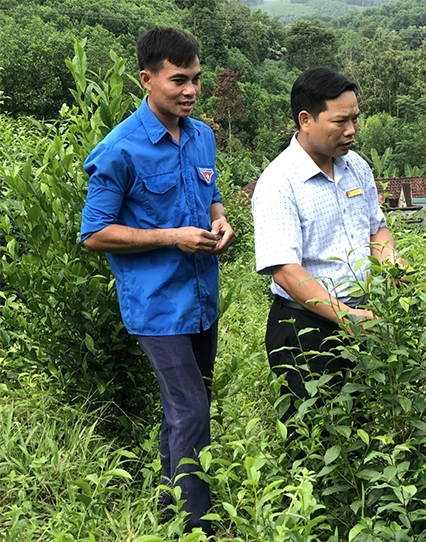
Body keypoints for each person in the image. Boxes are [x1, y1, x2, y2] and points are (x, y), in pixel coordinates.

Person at [81, 27, 233, 535]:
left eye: (195, 80)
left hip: (201, 300)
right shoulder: (120, 149)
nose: (190, 91)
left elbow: (209, 195)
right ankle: (198, 526)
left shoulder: (202, 134)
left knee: (188, 409)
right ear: (147, 79)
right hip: (157, 306)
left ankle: (171, 509)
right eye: (177, 81)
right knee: (190, 409)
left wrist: (219, 219)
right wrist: (172, 237)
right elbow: (95, 233)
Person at [252, 67, 400, 420]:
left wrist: (390, 263)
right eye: (340, 122)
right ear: (305, 120)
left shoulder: (356, 167)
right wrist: (344, 316)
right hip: (306, 330)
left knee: (365, 428)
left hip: (364, 320)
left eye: (355, 119)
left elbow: (376, 229)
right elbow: (285, 272)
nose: (351, 130)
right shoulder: (279, 183)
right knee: (317, 440)